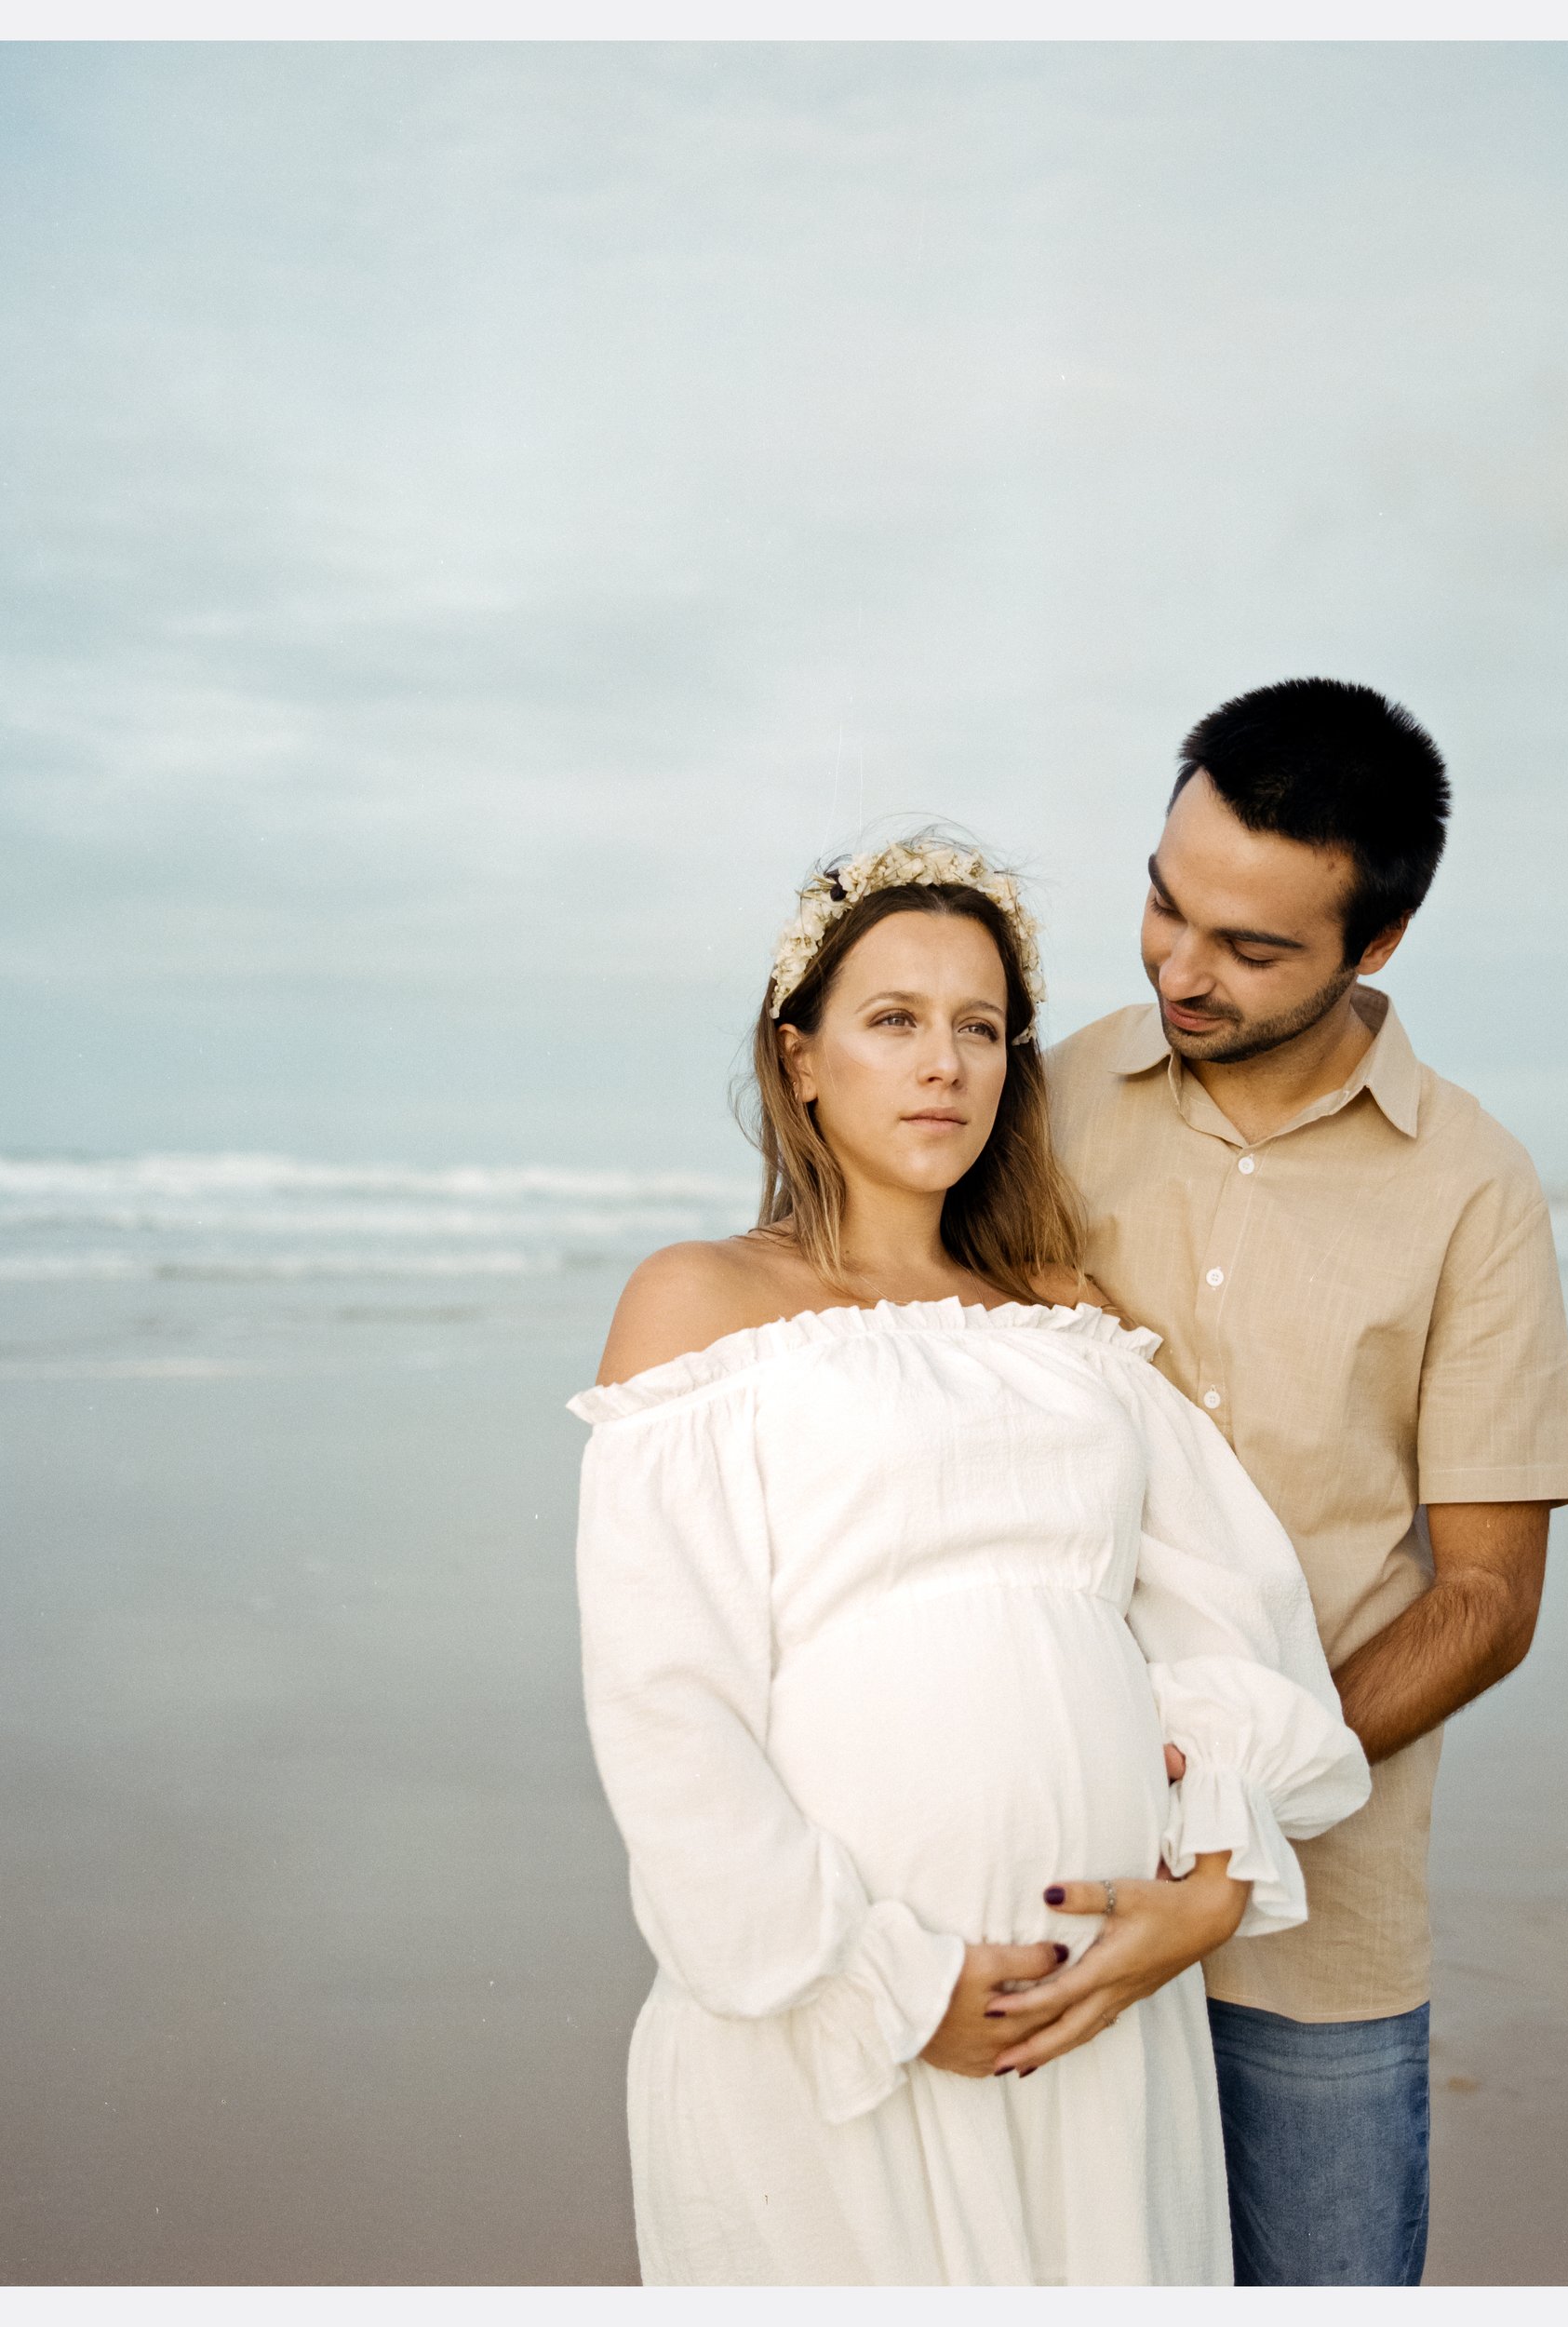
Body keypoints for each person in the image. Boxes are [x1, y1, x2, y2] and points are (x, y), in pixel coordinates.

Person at [569, 836, 1373, 2285]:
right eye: (894, 1019)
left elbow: (1221, 1620)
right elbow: (665, 1709)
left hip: (1104, 2011)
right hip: (841, 2027)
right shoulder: (697, 1305)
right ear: (799, 1058)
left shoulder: (1063, 1320)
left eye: (981, 1026)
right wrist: (885, 1990)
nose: (945, 1061)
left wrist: (1206, 1885)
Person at [1042, 679, 1568, 2286]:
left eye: (1254, 947)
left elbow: (1487, 1604)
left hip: (1320, 1924)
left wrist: (1229, 1817)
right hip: (1041, 1867)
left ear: (1378, 946)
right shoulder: (1045, 1099)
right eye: (1163, 901)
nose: (1181, 969)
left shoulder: (1474, 1186)